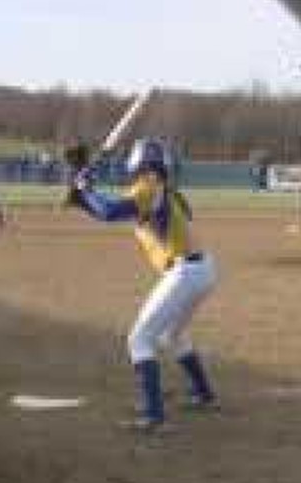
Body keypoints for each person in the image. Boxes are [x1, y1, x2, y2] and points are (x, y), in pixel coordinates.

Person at [69, 138, 218, 433]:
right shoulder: (161, 189)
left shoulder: (149, 185)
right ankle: (203, 394)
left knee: (139, 340)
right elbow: (114, 211)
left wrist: (86, 190)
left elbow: (112, 211)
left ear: (140, 163)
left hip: (184, 272)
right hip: (201, 269)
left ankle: (154, 416)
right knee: (171, 335)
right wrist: (85, 200)